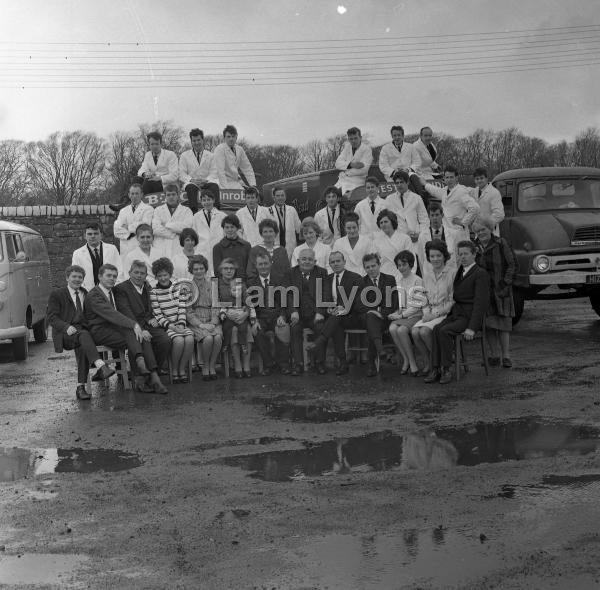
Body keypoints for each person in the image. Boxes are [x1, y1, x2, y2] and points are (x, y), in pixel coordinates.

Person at [83, 263, 168, 394]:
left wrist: (137, 327)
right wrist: (134, 325)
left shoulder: (111, 291)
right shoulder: (94, 295)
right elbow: (112, 314)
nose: (112, 278)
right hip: (99, 332)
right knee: (136, 335)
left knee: (140, 335)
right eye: (108, 276)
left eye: (114, 276)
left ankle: (149, 374)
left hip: (113, 329)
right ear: (99, 277)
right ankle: (144, 375)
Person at [424, 241, 490, 384]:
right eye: (460, 254)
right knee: (436, 329)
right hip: (456, 313)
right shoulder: (460, 271)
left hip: (469, 316)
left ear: (474, 254)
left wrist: (472, 328)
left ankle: (446, 369)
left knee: (444, 331)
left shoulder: (480, 273)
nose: (463, 257)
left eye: (466, 254)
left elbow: (480, 303)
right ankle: (435, 369)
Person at [47, 265, 115, 400]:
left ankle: (81, 387)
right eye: (74, 277)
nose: (77, 280)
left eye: (80, 277)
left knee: (83, 341)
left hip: (83, 332)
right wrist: (66, 326)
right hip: (66, 334)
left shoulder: (86, 293)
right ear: (67, 278)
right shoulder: (57, 294)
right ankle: (100, 366)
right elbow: (51, 317)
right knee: (84, 336)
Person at [306, 251, 365, 375]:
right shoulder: (327, 279)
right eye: (332, 262)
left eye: (338, 261)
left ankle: (319, 342)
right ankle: (342, 363)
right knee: (335, 324)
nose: (336, 264)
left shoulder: (355, 277)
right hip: (335, 317)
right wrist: (328, 308)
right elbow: (325, 300)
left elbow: (360, 301)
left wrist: (344, 307)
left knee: (335, 319)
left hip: (352, 316)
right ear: (330, 265)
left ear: (344, 262)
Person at [113, 259, 172, 372]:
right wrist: (140, 328)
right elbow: (126, 312)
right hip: (133, 326)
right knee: (143, 340)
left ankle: (155, 369)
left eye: (142, 273)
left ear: (146, 275)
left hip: (149, 323)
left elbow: (155, 305)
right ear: (130, 273)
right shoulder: (121, 289)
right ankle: (141, 374)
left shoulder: (148, 287)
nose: (139, 276)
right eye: (136, 272)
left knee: (165, 340)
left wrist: (155, 317)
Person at [472, 216, 516, 368]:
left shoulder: (501, 243)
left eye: (483, 229)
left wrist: (505, 284)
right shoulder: (474, 248)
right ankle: (494, 356)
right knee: (490, 325)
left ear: (490, 228)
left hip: (501, 290)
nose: (481, 233)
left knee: (503, 325)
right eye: (478, 231)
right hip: (484, 293)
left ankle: (506, 356)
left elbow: (512, 265)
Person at [411, 240, 455, 377]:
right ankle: (430, 361)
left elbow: (452, 301)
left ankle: (440, 364)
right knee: (414, 332)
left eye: (438, 255)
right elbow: (424, 298)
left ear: (444, 256)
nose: (435, 259)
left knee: (424, 332)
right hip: (429, 312)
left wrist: (434, 314)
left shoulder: (452, 273)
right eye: (432, 256)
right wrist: (426, 313)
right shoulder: (427, 274)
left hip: (445, 313)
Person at [150, 258, 195, 384]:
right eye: (159, 276)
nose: (163, 278)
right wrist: (171, 327)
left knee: (190, 338)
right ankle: (174, 370)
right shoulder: (154, 292)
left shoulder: (178, 289)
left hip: (180, 324)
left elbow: (182, 308)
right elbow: (158, 314)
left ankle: (182, 369)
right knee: (179, 340)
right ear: (156, 276)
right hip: (167, 327)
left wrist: (181, 324)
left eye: (165, 275)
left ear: (170, 274)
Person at [247, 253, 292, 376]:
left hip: (277, 315)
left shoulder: (280, 279)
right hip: (261, 317)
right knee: (258, 332)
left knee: (282, 328)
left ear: (270, 263)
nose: (263, 267)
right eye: (260, 264)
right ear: (256, 266)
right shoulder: (251, 283)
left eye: (265, 263)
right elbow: (250, 305)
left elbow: (284, 300)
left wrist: (282, 316)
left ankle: (284, 365)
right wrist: (254, 320)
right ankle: (268, 364)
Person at [289, 248, 329, 375]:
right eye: (304, 259)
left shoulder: (322, 272)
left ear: (315, 261)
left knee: (321, 328)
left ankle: (319, 362)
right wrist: (293, 311)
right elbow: (287, 294)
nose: (306, 261)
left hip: (315, 314)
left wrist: (320, 312)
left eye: (310, 259)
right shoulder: (290, 273)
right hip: (298, 314)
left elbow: (326, 294)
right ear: (298, 260)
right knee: (295, 329)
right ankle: (298, 364)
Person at [416, 165, 480, 244]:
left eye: (451, 177)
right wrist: (425, 184)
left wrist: (463, 222)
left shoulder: (461, 191)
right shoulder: (445, 191)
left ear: (456, 178)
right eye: (447, 177)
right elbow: (435, 191)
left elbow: (475, 208)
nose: (449, 180)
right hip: (447, 233)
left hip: (459, 233)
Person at [360, 253, 398, 377]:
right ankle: (380, 350)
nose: (371, 269)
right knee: (371, 319)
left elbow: (394, 302)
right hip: (368, 317)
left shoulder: (390, 279)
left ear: (379, 265)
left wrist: (381, 313)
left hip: (385, 317)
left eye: (373, 266)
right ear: (364, 268)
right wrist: (373, 312)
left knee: (372, 325)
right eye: (367, 267)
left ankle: (371, 363)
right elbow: (358, 304)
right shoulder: (361, 282)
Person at [185, 255, 223, 381]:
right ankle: (205, 366)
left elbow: (216, 305)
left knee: (217, 338)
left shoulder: (212, 284)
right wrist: (201, 325)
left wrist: (213, 322)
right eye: (195, 269)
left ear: (205, 269)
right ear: (191, 270)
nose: (199, 271)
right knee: (207, 338)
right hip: (197, 320)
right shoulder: (187, 287)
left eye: (201, 268)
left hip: (212, 318)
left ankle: (212, 365)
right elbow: (188, 311)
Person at [388, 250, 424, 376]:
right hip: (404, 315)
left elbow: (418, 305)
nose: (401, 268)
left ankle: (412, 363)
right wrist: (396, 312)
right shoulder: (399, 281)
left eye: (404, 264)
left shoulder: (417, 280)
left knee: (401, 330)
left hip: (416, 315)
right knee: (392, 328)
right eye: (399, 265)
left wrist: (401, 315)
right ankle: (406, 359)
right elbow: (401, 303)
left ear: (411, 264)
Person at [216, 258, 254, 378]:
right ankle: (237, 364)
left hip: (241, 315)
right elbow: (215, 304)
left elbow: (248, 301)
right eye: (225, 268)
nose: (228, 271)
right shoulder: (217, 285)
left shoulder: (240, 283)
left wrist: (246, 314)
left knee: (246, 329)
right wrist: (226, 313)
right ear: (221, 270)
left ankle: (246, 364)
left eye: (231, 268)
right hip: (225, 319)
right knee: (233, 331)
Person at [385, 170, 429, 257]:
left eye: (401, 182)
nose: (399, 185)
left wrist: (419, 235)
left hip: (415, 239)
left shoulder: (417, 198)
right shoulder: (389, 199)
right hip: (397, 240)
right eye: (397, 183)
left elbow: (424, 219)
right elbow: (387, 222)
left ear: (407, 182)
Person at [71, 222, 122, 291]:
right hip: (88, 292)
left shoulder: (112, 249)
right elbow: (76, 275)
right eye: (89, 234)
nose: (92, 236)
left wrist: (114, 288)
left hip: (111, 290)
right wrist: (85, 291)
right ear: (84, 236)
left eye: (96, 233)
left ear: (101, 235)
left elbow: (119, 270)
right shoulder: (77, 253)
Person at [179, 128, 220, 212]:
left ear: (203, 140)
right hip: (192, 182)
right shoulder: (184, 155)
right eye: (194, 141)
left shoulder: (211, 156)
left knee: (215, 186)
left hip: (207, 182)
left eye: (198, 140)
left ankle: (216, 212)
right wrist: (191, 180)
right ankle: (193, 212)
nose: (196, 143)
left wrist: (205, 180)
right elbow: (181, 173)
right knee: (190, 187)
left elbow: (214, 172)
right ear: (191, 142)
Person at [113, 184, 154, 265]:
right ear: (129, 195)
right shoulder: (123, 211)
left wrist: (127, 227)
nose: (134, 196)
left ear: (142, 194)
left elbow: (144, 227)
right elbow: (116, 230)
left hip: (140, 247)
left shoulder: (148, 209)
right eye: (132, 193)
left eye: (137, 193)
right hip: (126, 249)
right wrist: (129, 235)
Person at [151, 183, 194, 259]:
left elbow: (187, 229)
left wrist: (167, 225)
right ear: (165, 196)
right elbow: (155, 229)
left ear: (178, 195)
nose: (171, 197)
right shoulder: (158, 210)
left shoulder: (186, 210)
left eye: (173, 194)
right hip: (160, 247)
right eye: (168, 195)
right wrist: (174, 232)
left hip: (178, 247)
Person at [371, 209, 413, 282]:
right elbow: (375, 263)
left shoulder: (405, 238)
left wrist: (409, 277)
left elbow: (412, 260)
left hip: (403, 276)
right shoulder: (376, 242)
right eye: (381, 223)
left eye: (386, 221)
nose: (383, 224)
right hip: (385, 278)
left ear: (392, 222)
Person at [192, 190, 226, 276]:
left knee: (218, 276)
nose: (207, 202)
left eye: (209, 199)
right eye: (204, 200)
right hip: (202, 250)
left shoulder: (222, 216)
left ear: (214, 200)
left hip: (218, 250)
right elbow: (194, 235)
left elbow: (225, 234)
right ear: (201, 202)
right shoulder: (196, 216)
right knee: (204, 275)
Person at [212, 124, 256, 190]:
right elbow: (220, 171)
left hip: (235, 182)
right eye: (228, 137)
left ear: (236, 137)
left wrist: (252, 185)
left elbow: (247, 168)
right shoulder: (220, 149)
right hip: (221, 182)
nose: (231, 139)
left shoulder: (240, 149)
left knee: (250, 194)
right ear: (224, 138)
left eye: (233, 136)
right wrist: (225, 189)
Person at [417, 202, 456, 274]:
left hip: (449, 274)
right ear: (429, 216)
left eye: (437, 215)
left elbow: (457, 258)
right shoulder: (422, 236)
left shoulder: (453, 234)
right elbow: (421, 260)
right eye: (432, 215)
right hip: (430, 275)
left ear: (442, 215)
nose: (435, 218)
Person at [334, 127, 373, 194]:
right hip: (342, 180)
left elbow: (364, 170)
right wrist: (351, 164)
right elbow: (337, 164)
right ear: (348, 139)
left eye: (355, 138)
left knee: (346, 196)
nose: (353, 141)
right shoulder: (347, 147)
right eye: (351, 139)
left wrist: (346, 170)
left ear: (360, 137)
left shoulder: (367, 150)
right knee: (331, 194)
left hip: (357, 181)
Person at [213, 214, 252, 281]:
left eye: (232, 227)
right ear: (223, 229)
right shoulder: (217, 248)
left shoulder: (246, 246)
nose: (229, 230)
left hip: (244, 284)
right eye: (227, 227)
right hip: (226, 285)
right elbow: (217, 271)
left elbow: (250, 268)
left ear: (237, 228)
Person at [267, 186, 302, 258]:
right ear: (274, 198)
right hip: (274, 247)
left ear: (285, 197)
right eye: (278, 196)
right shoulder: (268, 211)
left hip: (290, 248)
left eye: (282, 195)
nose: (280, 198)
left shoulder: (292, 210)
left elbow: (299, 229)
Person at [470, 168, 504, 236]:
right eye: (477, 179)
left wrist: (485, 225)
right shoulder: (474, 191)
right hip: (478, 232)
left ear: (486, 178)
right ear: (474, 180)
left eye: (481, 178)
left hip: (490, 232)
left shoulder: (494, 192)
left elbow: (499, 215)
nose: (479, 181)